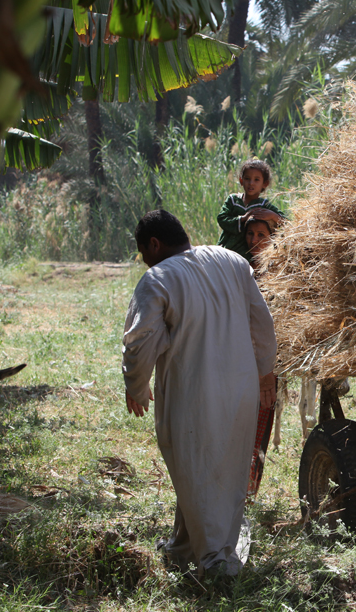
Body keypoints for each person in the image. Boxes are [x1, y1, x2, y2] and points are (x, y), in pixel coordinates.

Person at [122, 209, 278, 577]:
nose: (144, 260)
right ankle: (182, 545)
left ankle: (215, 562)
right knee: (220, 468)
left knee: (196, 468)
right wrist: (265, 373)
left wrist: (136, 386)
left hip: (193, 390)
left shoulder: (157, 278)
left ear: (154, 244)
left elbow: (139, 343)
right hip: (241, 388)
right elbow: (263, 322)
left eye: (143, 251)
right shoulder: (232, 260)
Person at [243, 216, 276, 497]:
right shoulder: (239, 269)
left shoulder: (280, 272)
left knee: (258, 427)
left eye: (261, 235)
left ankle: (247, 492)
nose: (254, 241)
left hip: (265, 365)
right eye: (250, 234)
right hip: (238, 359)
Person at [217, 159, 285, 261]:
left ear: (265, 184)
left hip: (248, 257)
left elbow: (286, 222)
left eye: (256, 180)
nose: (251, 183)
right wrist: (242, 219)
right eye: (247, 178)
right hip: (226, 250)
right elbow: (222, 219)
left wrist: (272, 215)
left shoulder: (264, 205)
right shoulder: (233, 200)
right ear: (241, 180)